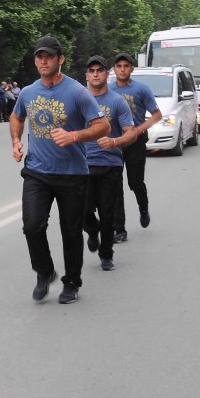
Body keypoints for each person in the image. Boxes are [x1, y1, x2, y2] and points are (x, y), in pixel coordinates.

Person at [10, 36, 109, 304]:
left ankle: (72, 282)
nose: (43, 61)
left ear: (60, 59)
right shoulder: (29, 92)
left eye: (49, 56)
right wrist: (16, 141)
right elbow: (16, 116)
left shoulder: (78, 92)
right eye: (39, 57)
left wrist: (74, 136)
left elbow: (103, 126)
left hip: (72, 174)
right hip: (37, 172)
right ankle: (44, 271)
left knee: (71, 232)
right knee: (32, 225)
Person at [82, 56, 136, 271]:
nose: (95, 74)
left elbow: (130, 133)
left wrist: (115, 141)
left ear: (106, 74)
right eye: (91, 70)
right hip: (83, 165)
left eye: (100, 70)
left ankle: (106, 254)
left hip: (110, 165)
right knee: (83, 211)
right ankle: (92, 231)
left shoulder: (117, 101)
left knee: (107, 213)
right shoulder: (79, 100)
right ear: (87, 75)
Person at [109, 53, 162, 243]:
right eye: (119, 66)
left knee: (135, 182)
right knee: (115, 186)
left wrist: (138, 130)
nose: (122, 69)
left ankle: (143, 208)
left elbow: (157, 115)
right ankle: (119, 229)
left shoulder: (141, 89)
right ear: (114, 69)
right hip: (115, 142)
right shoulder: (108, 89)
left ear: (132, 69)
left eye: (126, 66)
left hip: (136, 142)